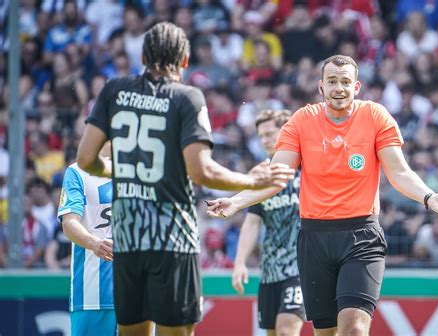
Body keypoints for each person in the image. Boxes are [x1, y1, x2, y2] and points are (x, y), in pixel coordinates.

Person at [207, 55, 438, 336]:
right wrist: (236, 201)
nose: (339, 88)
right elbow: (277, 176)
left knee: (354, 327)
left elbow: (400, 173)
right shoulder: (302, 120)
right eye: (332, 81)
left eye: (345, 82)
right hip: (315, 238)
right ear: (320, 87)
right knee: (327, 333)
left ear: (357, 87)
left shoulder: (375, 116)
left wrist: (429, 197)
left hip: (362, 236)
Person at [75, 22, 294, 336]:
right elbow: (201, 170)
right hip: (172, 239)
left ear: (143, 54)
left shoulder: (114, 89)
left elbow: (86, 160)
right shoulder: (187, 97)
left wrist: (119, 169)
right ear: (185, 61)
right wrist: (250, 180)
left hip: (128, 239)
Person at [232, 109, 304, 335]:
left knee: (286, 330)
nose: (266, 140)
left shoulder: (306, 169)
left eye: (271, 133)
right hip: (270, 269)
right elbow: (252, 222)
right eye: (261, 135)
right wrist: (240, 262)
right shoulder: (264, 177)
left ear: (286, 131)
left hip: (300, 267)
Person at [57, 143, 115, 336]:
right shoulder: (78, 172)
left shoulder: (143, 172)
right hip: (93, 295)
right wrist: (94, 243)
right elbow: (69, 223)